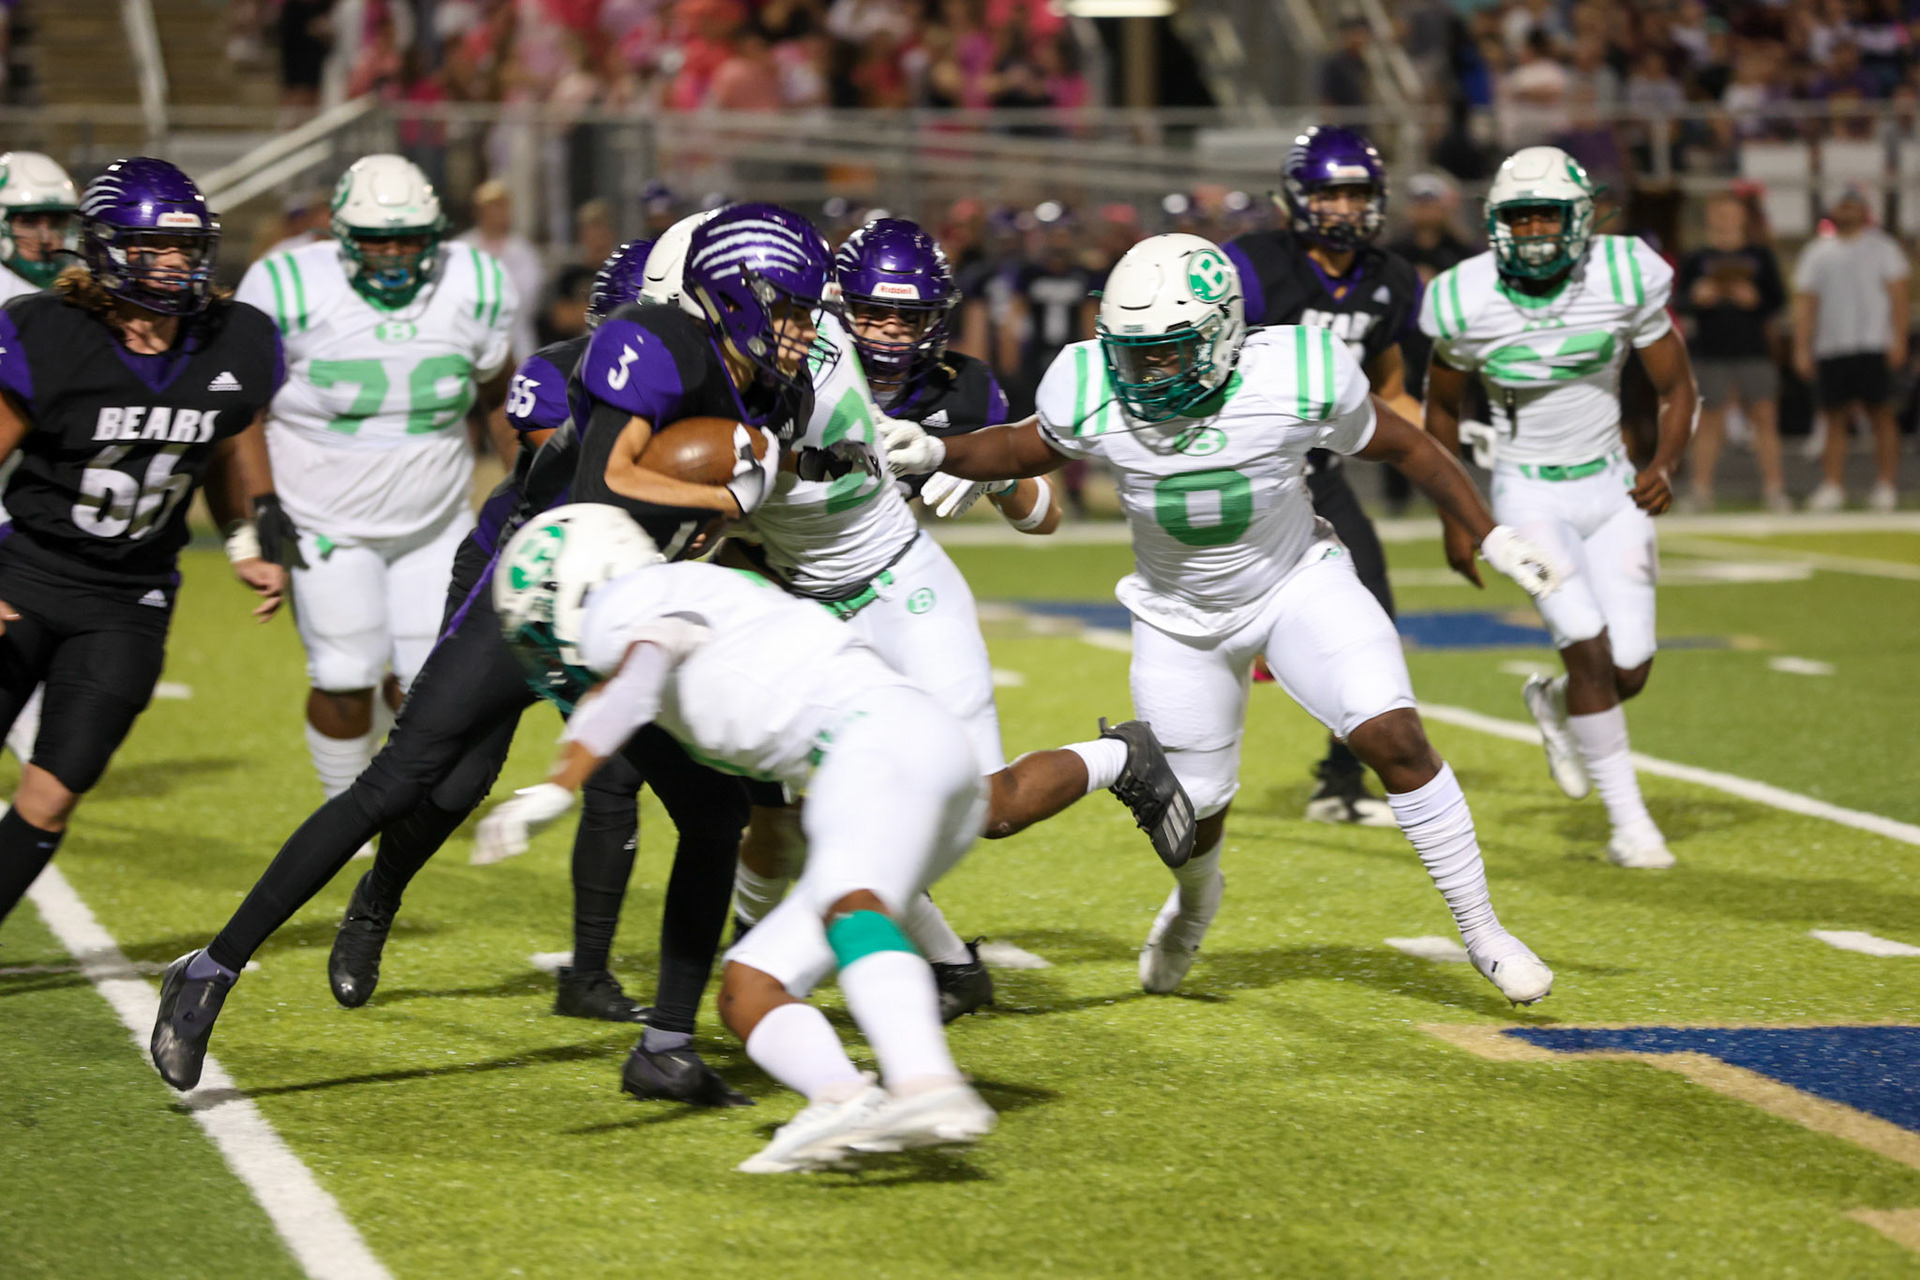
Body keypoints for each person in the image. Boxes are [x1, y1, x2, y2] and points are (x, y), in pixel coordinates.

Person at [148, 204, 822, 1103]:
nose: (802, 330)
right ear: (730, 294)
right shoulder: (655, 341)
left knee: (712, 811)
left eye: (808, 311)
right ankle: (212, 969)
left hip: (632, 606)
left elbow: (713, 525)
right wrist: (723, 499)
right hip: (542, 589)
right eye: (789, 308)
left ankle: (664, 1045)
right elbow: (605, 486)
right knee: (410, 780)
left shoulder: (778, 392)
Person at [881, 232, 1563, 1005]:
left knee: (1392, 734)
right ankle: (1198, 896)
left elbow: (1409, 448)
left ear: (1223, 334)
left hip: (1297, 584)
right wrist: (937, 452)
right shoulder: (1090, 382)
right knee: (1194, 808)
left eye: (1165, 352)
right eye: (1131, 354)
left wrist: (1490, 532)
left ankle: (1484, 931)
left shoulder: (1298, 372)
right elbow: (1021, 448)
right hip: (1178, 618)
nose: (1145, 371)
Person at [484, 504, 999, 1173]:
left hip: (873, 741)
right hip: (917, 754)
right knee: (751, 983)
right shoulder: (700, 587)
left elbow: (639, 673)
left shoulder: (629, 603)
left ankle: (927, 1084)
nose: (547, 649)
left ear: (576, 586)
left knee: (850, 901)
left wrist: (563, 780)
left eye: (540, 625)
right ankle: (841, 1098)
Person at [725, 218, 1151, 1023]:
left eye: (910, 316)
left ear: (937, 319)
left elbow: (1045, 514)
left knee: (985, 811)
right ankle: (871, 961)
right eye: (874, 314)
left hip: (901, 590)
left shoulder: (959, 388)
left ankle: (1120, 758)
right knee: (804, 813)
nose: (891, 332)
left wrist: (986, 474)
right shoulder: (789, 361)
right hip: (801, 603)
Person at [0, 157, 298, 930]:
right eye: (151, 247)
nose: (172, 263)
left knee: (52, 793)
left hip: (128, 598)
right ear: (106, 248)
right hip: (26, 572)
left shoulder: (233, 339)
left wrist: (245, 537)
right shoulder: (50, 333)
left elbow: (226, 440)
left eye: (185, 247)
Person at [1420, 147, 1699, 870]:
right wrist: (1458, 516)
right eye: (1520, 217)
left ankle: (1555, 701)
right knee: (1586, 642)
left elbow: (1677, 388)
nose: (1535, 230)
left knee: (1629, 668)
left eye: (1547, 215)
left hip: (1613, 487)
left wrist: (1664, 464)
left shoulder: (1623, 273)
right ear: (1495, 223)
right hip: (1528, 492)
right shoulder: (1464, 297)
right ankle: (1631, 826)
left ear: (1581, 218)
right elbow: (1441, 410)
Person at [237, 155, 517, 808]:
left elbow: (501, 393)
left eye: (409, 239)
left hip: (435, 520)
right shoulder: (284, 283)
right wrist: (259, 506)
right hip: (323, 521)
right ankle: (344, 811)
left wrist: (525, 486)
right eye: (374, 240)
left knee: (431, 682)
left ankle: (397, 798)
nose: (393, 255)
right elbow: (242, 406)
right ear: (340, 235)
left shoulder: (475, 282)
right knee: (344, 676)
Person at [1223, 126, 1425, 827]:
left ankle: (1340, 782)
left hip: (1321, 474)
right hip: (1241, 474)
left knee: (1373, 614)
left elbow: (1390, 383)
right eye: (1329, 194)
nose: (1344, 207)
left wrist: (1427, 439)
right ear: (1297, 198)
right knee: (1213, 636)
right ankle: (1183, 770)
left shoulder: (1390, 278)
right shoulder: (1251, 265)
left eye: (1356, 193)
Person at [0, 151, 81, 767]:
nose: (46, 235)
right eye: (29, 220)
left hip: (36, 498)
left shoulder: (78, 294)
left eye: (56, 219)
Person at [1791, 186, 1908, 512]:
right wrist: (1802, 347)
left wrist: (1899, 339)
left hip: (1874, 343)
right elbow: (1806, 303)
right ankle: (1833, 485)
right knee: (1833, 417)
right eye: (1843, 205)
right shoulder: (1817, 252)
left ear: (1864, 210)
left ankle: (1886, 485)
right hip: (1832, 344)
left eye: (1854, 205)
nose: (1848, 211)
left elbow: (1899, 297)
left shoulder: (1883, 248)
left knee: (1881, 413)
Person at [1676, 191, 1787, 511]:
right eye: (1719, 213)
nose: (1725, 219)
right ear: (1710, 217)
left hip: (1754, 350)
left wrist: (1754, 299)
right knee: (1709, 422)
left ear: (1742, 217)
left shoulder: (1760, 255)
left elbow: (1778, 300)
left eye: (1731, 212)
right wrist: (1697, 297)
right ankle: (1701, 491)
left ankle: (1775, 490)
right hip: (1710, 351)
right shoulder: (1696, 257)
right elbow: (1679, 301)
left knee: (1764, 417)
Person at [457, 179, 544, 363]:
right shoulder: (462, 248)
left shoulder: (524, 251)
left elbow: (529, 299)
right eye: (491, 207)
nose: (497, 213)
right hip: (472, 343)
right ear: (479, 211)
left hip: (517, 342)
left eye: (502, 206)